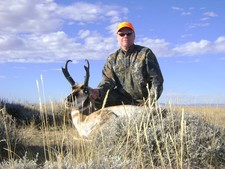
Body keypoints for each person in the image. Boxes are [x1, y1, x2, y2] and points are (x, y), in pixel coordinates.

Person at [91, 21, 164, 108]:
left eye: (129, 34)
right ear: (117, 37)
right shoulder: (112, 59)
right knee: (96, 100)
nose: (125, 36)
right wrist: (99, 91)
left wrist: (149, 102)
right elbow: (107, 81)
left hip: (143, 102)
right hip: (120, 100)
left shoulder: (145, 53)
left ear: (134, 36)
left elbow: (157, 80)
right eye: (122, 34)